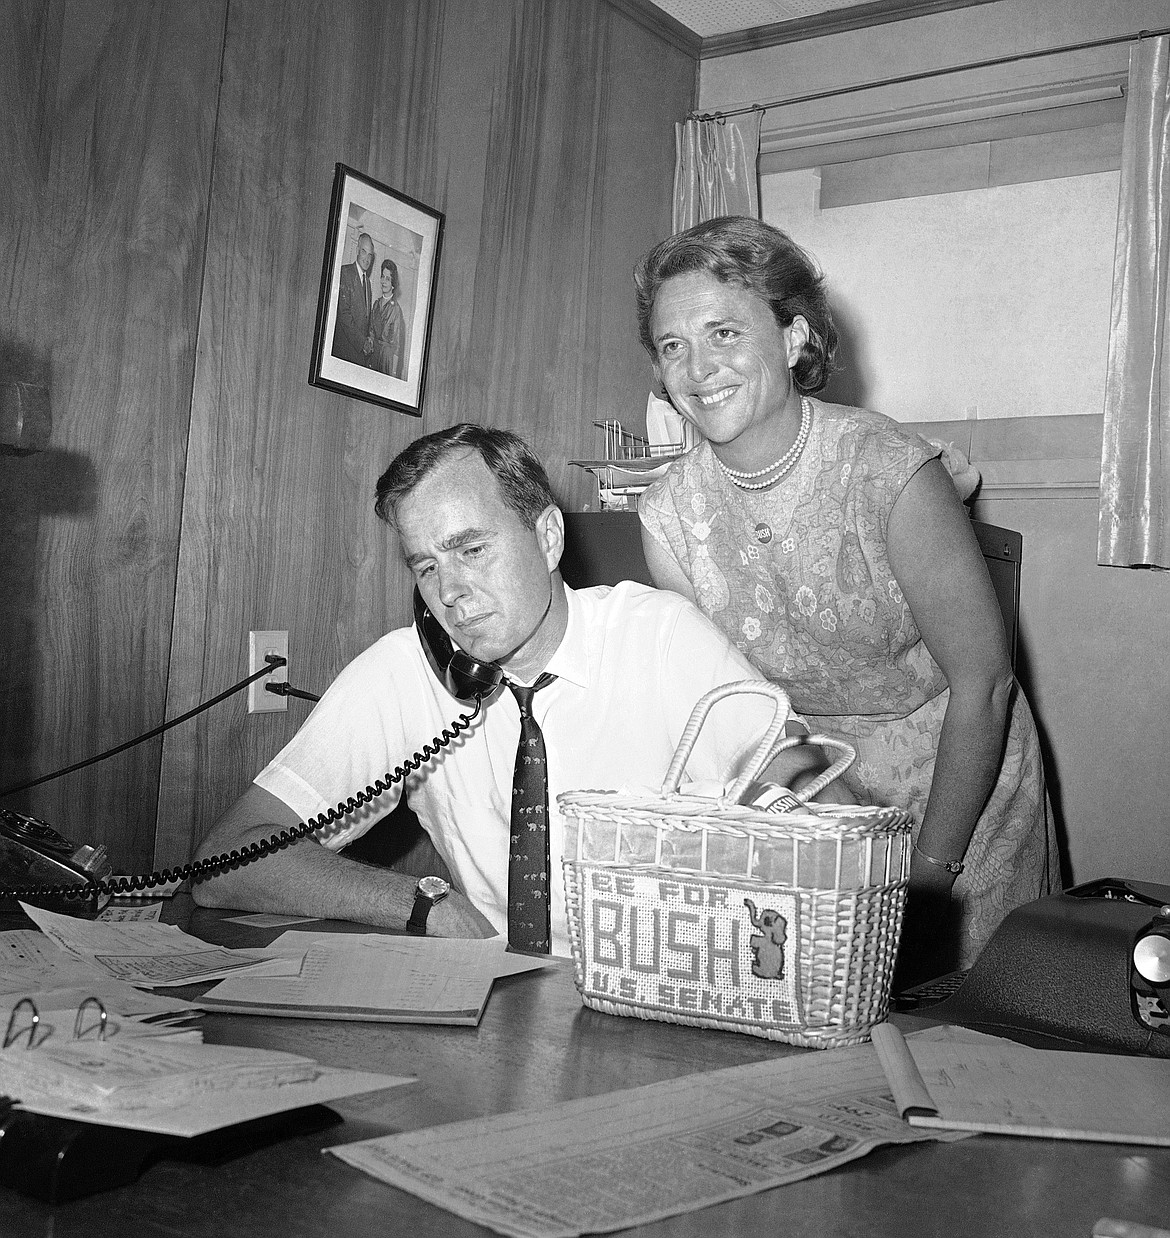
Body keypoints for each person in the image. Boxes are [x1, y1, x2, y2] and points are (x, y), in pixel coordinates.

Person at [192, 424, 836, 956]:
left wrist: (756, 818)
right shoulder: (404, 672)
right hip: (503, 1004)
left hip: (672, 987)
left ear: (548, 537)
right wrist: (420, 903)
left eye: (471, 550)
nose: (449, 593)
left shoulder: (659, 636)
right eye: (426, 566)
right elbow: (225, 860)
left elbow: (816, 783)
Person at [633, 216, 1061, 984]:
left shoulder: (889, 471)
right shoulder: (668, 519)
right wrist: (835, 839)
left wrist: (926, 882)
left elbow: (985, 684)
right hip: (815, 795)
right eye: (673, 346)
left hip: (962, 792)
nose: (698, 369)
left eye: (724, 332)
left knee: (973, 1042)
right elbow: (739, 712)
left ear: (794, 336)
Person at [331, 232, 375, 365]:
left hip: (359, 355)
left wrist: (370, 337)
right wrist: (362, 343)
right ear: (357, 250)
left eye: (370, 255)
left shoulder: (368, 283)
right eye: (363, 251)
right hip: (344, 351)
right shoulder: (344, 273)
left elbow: (366, 317)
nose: (367, 259)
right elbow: (344, 315)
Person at [366, 257, 409, 379]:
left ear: (393, 284)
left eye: (388, 278)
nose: (384, 281)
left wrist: (394, 374)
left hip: (386, 360)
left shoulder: (396, 309)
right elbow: (371, 333)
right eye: (382, 277)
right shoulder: (376, 304)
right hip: (373, 356)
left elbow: (397, 347)